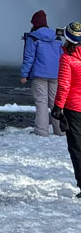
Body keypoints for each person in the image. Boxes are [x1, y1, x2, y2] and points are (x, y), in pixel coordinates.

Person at [21, 11, 63, 137]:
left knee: (41, 102)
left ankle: (42, 131)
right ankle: (61, 130)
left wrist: (24, 75)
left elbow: (29, 58)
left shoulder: (33, 37)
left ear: (35, 23)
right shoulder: (57, 37)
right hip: (55, 74)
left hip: (39, 75)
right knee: (56, 103)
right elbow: (61, 56)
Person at [52, 21, 81, 197]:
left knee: (77, 147)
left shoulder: (67, 58)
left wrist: (57, 107)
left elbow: (64, 85)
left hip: (74, 108)